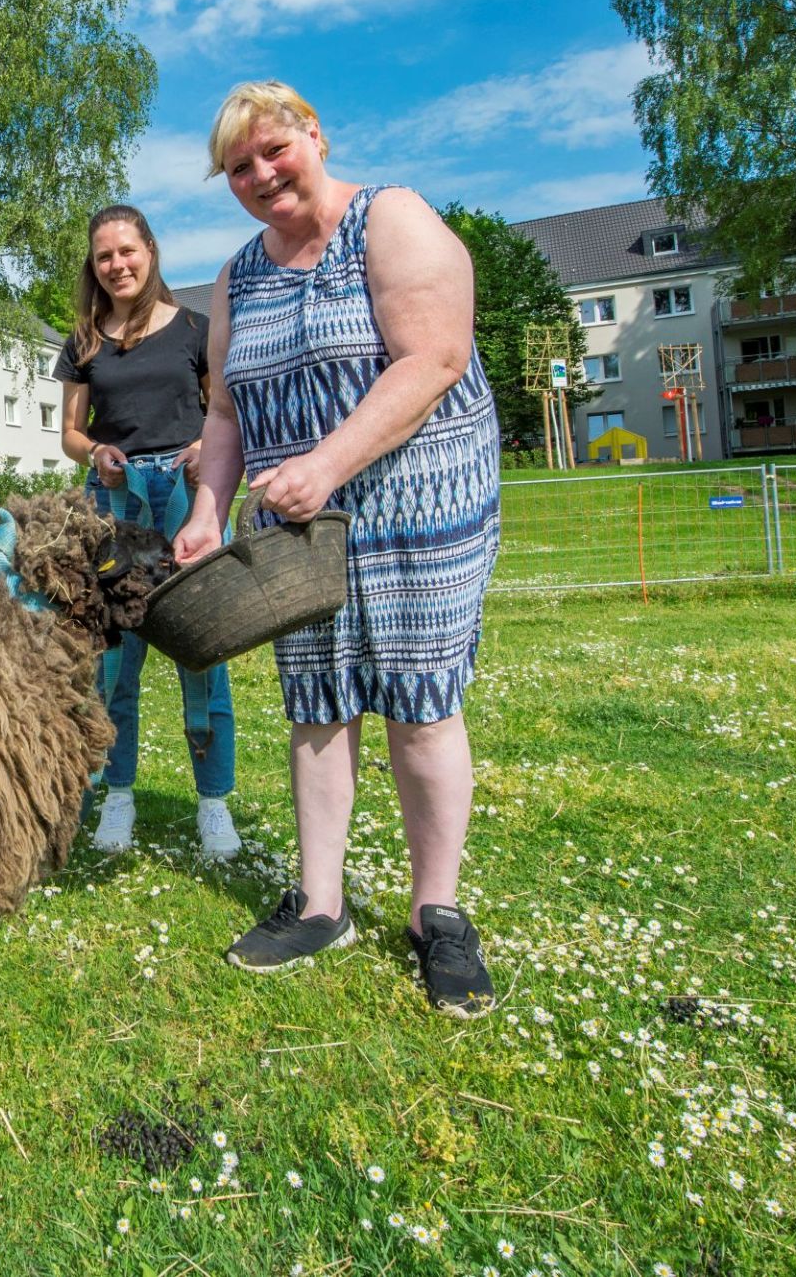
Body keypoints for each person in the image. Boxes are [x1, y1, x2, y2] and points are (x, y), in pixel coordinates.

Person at [173, 80, 501, 1017]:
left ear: (314, 136)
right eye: (239, 167)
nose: (261, 175)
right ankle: (321, 904)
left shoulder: (391, 220)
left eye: (274, 151)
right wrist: (208, 508)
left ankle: (437, 913)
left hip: (417, 500)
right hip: (298, 521)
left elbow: (434, 358)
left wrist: (326, 462)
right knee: (317, 698)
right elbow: (227, 409)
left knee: (418, 700)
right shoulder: (239, 272)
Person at [55, 205, 240, 860]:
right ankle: (120, 795)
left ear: (150, 252)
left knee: (200, 648)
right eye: (104, 256)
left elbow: (222, 410)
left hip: (184, 495)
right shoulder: (83, 340)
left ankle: (213, 803)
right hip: (115, 500)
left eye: (127, 251)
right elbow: (72, 433)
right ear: (94, 265)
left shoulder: (194, 327)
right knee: (115, 658)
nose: (117, 265)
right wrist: (95, 454)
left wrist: (200, 450)